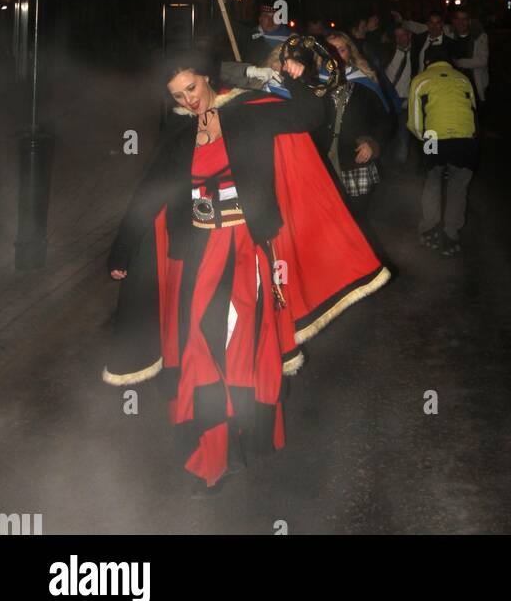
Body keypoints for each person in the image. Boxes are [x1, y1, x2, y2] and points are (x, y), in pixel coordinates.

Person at [103, 50, 390, 493]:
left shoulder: (251, 112)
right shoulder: (180, 130)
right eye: (178, 94)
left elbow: (311, 114)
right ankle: (212, 445)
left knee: (240, 344)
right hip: (196, 251)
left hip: (245, 250)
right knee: (198, 341)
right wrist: (122, 249)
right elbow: (151, 190)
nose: (189, 100)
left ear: (208, 78)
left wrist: (294, 77)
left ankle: (240, 433)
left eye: (192, 88)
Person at [409, 56, 478, 257]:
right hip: (466, 139)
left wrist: (425, 140)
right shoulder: (464, 79)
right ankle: (451, 235)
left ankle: (429, 229)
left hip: (434, 137)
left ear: (427, 63)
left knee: (432, 181)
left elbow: (414, 122)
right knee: (458, 186)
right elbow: (473, 109)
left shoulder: (421, 79)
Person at [320, 32, 393, 219]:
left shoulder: (363, 82)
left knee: (355, 220)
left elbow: (385, 120)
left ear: (349, 53)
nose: (336, 55)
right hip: (324, 164)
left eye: (341, 50)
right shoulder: (314, 82)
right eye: (331, 50)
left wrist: (373, 143)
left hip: (355, 163)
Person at [382, 23, 416, 167]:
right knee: (386, 130)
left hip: (406, 99)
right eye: (397, 36)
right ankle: (383, 160)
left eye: (403, 35)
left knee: (403, 132)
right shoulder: (388, 51)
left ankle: (399, 163)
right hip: (388, 98)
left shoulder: (416, 53)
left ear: (409, 35)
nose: (400, 39)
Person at [448, 8, 490, 106]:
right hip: (454, 85)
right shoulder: (449, 34)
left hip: (474, 82)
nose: (460, 22)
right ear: (453, 21)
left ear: (469, 21)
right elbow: (427, 27)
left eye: (464, 19)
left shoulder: (479, 36)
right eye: (458, 19)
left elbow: (482, 61)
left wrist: (459, 62)